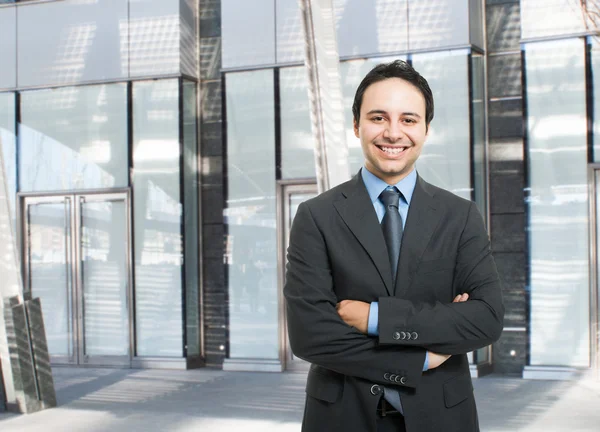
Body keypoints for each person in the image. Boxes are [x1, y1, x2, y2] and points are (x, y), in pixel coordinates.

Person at [284, 60, 504, 432]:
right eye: (378, 117)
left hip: (442, 416)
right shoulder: (315, 216)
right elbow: (311, 335)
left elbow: (486, 318)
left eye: (408, 119)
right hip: (342, 417)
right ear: (356, 125)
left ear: (425, 129)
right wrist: (421, 358)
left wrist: (375, 318)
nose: (392, 132)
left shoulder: (461, 215)